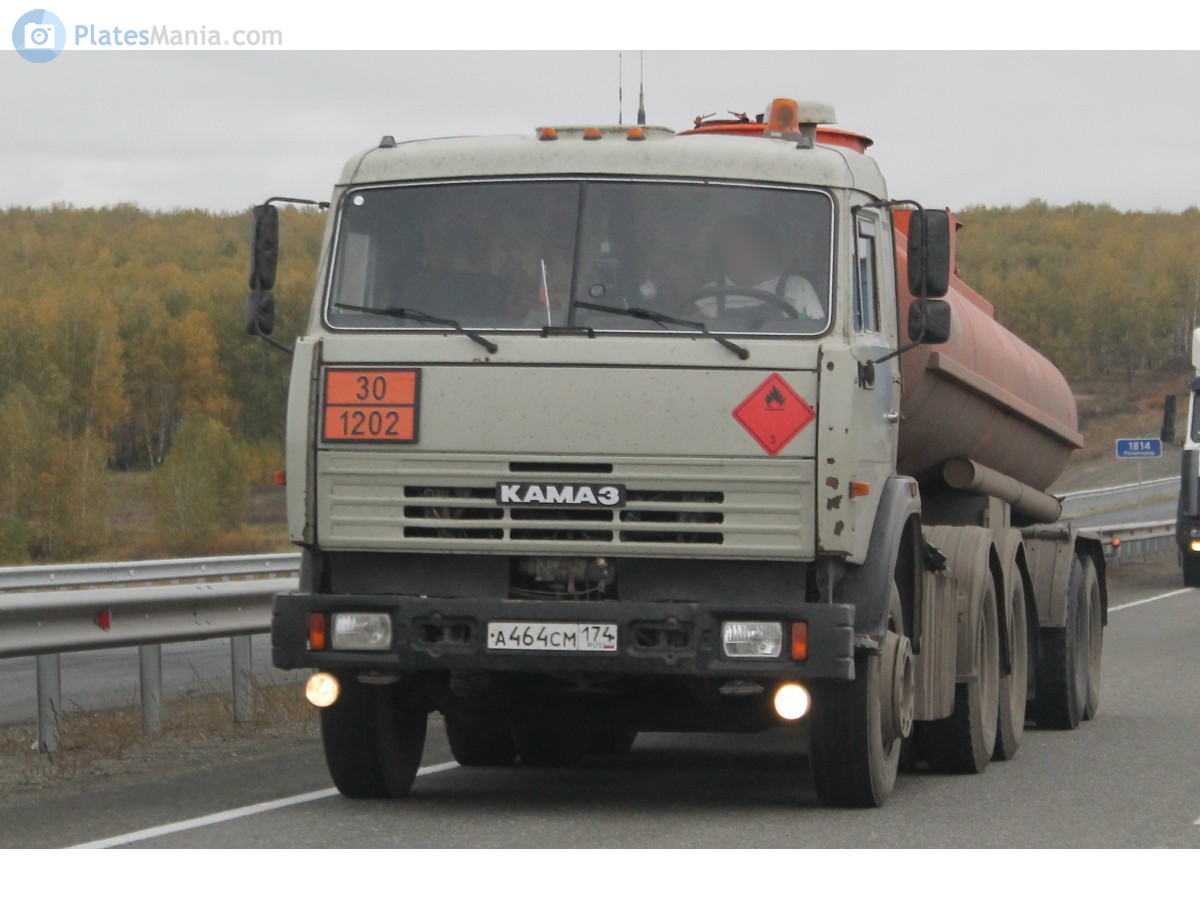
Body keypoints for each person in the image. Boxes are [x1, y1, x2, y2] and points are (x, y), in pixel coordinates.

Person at [690, 215, 824, 322]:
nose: (736, 254)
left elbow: (814, 340)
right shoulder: (707, 296)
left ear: (760, 247)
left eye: (742, 245)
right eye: (727, 249)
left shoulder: (797, 289)